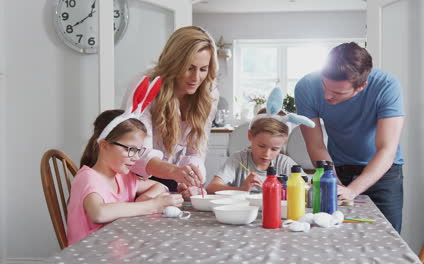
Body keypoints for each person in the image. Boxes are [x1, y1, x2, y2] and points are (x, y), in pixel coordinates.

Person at [294, 42, 405, 232]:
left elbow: (387, 149)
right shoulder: (306, 87)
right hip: (337, 169)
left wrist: (352, 190)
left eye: (338, 92)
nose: (327, 96)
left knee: (385, 236)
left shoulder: (387, 86)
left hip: (383, 174)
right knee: (336, 234)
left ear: (361, 87)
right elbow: (316, 145)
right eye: (325, 85)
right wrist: (332, 182)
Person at [123, 26, 219, 196]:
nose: (196, 78)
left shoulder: (208, 94)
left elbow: (196, 150)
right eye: (189, 68)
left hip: (172, 178)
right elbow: (137, 151)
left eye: (203, 69)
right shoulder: (146, 85)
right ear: (175, 63)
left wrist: (191, 178)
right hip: (137, 180)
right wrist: (175, 172)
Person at [67, 109, 184, 245]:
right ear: (104, 146)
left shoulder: (123, 177)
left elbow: (159, 186)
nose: (136, 158)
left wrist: (143, 199)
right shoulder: (88, 177)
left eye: (138, 151)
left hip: (117, 249)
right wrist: (153, 205)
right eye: (130, 150)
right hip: (89, 255)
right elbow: (99, 213)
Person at [206, 117, 305, 193]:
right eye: (261, 146)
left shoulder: (284, 163)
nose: (267, 154)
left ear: (283, 145)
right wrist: (242, 189)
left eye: (274, 149)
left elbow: (307, 186)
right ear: (250, 136)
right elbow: (211, 188)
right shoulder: (238, 160)